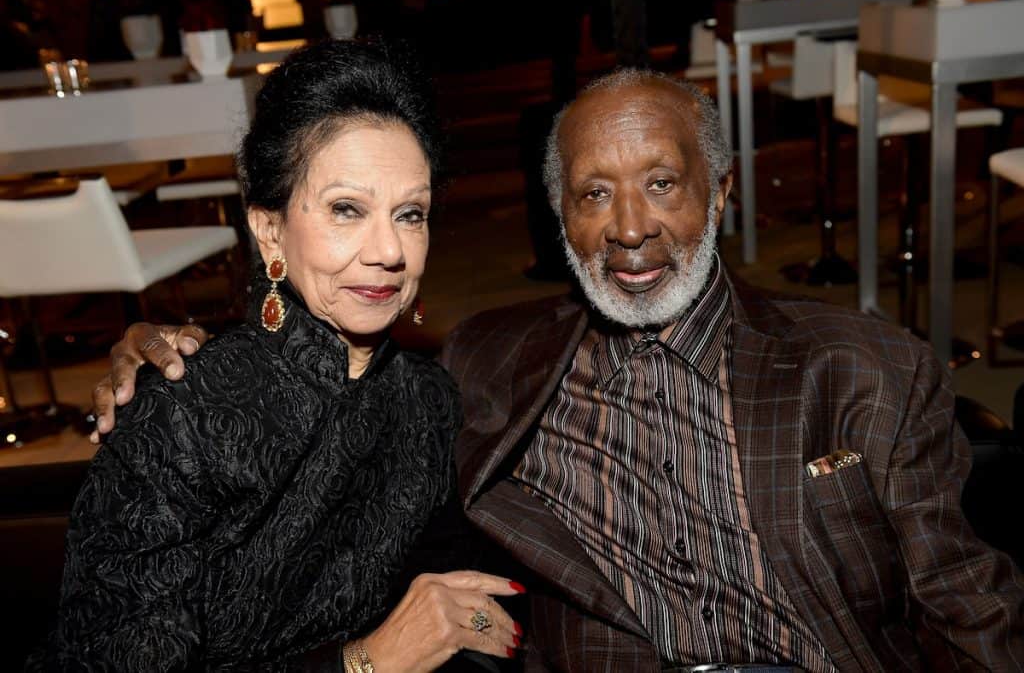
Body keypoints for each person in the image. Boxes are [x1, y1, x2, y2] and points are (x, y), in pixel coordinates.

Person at [94, 69, 1024, 671]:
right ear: (558, 218)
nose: (628, 228)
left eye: (662, 183)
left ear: (722, 193)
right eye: (592, 195)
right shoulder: (488, 366)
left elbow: (967, 607)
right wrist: (166, 351)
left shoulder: (866, 368)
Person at [43, 39, 523, 672]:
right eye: (345, 209)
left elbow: (457, 608)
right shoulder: (181, 412)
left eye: (410, 213)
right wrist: (366, 663)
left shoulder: (427, 402)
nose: (389, 250)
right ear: (269, 229)